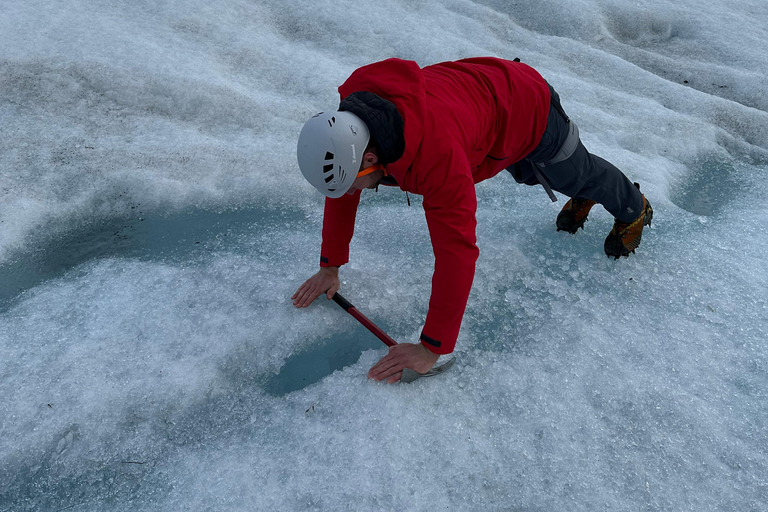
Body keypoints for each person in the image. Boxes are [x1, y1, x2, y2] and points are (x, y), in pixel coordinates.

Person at [291, 57, 653, 383]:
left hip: (527, 105)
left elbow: (457, 253)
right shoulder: (354, 126)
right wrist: (330, 265)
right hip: (485, 107)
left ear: (370, 157)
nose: (353, 193)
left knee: (575, 171)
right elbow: (342, 191)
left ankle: (634, 207)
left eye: (354, 184)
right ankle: (579, 189)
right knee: (534, 174)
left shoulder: (437, 157)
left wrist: (431, 347)